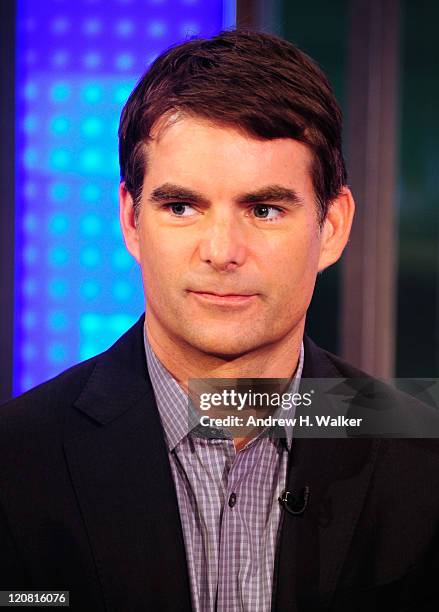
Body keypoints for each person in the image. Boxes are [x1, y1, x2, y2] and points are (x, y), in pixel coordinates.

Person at [1, 29, 438, 612]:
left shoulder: (424, 463)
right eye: (181, 207)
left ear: (331, 226)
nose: (222, 250)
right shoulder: (16, 462)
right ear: (131, 220)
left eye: (264, 209)